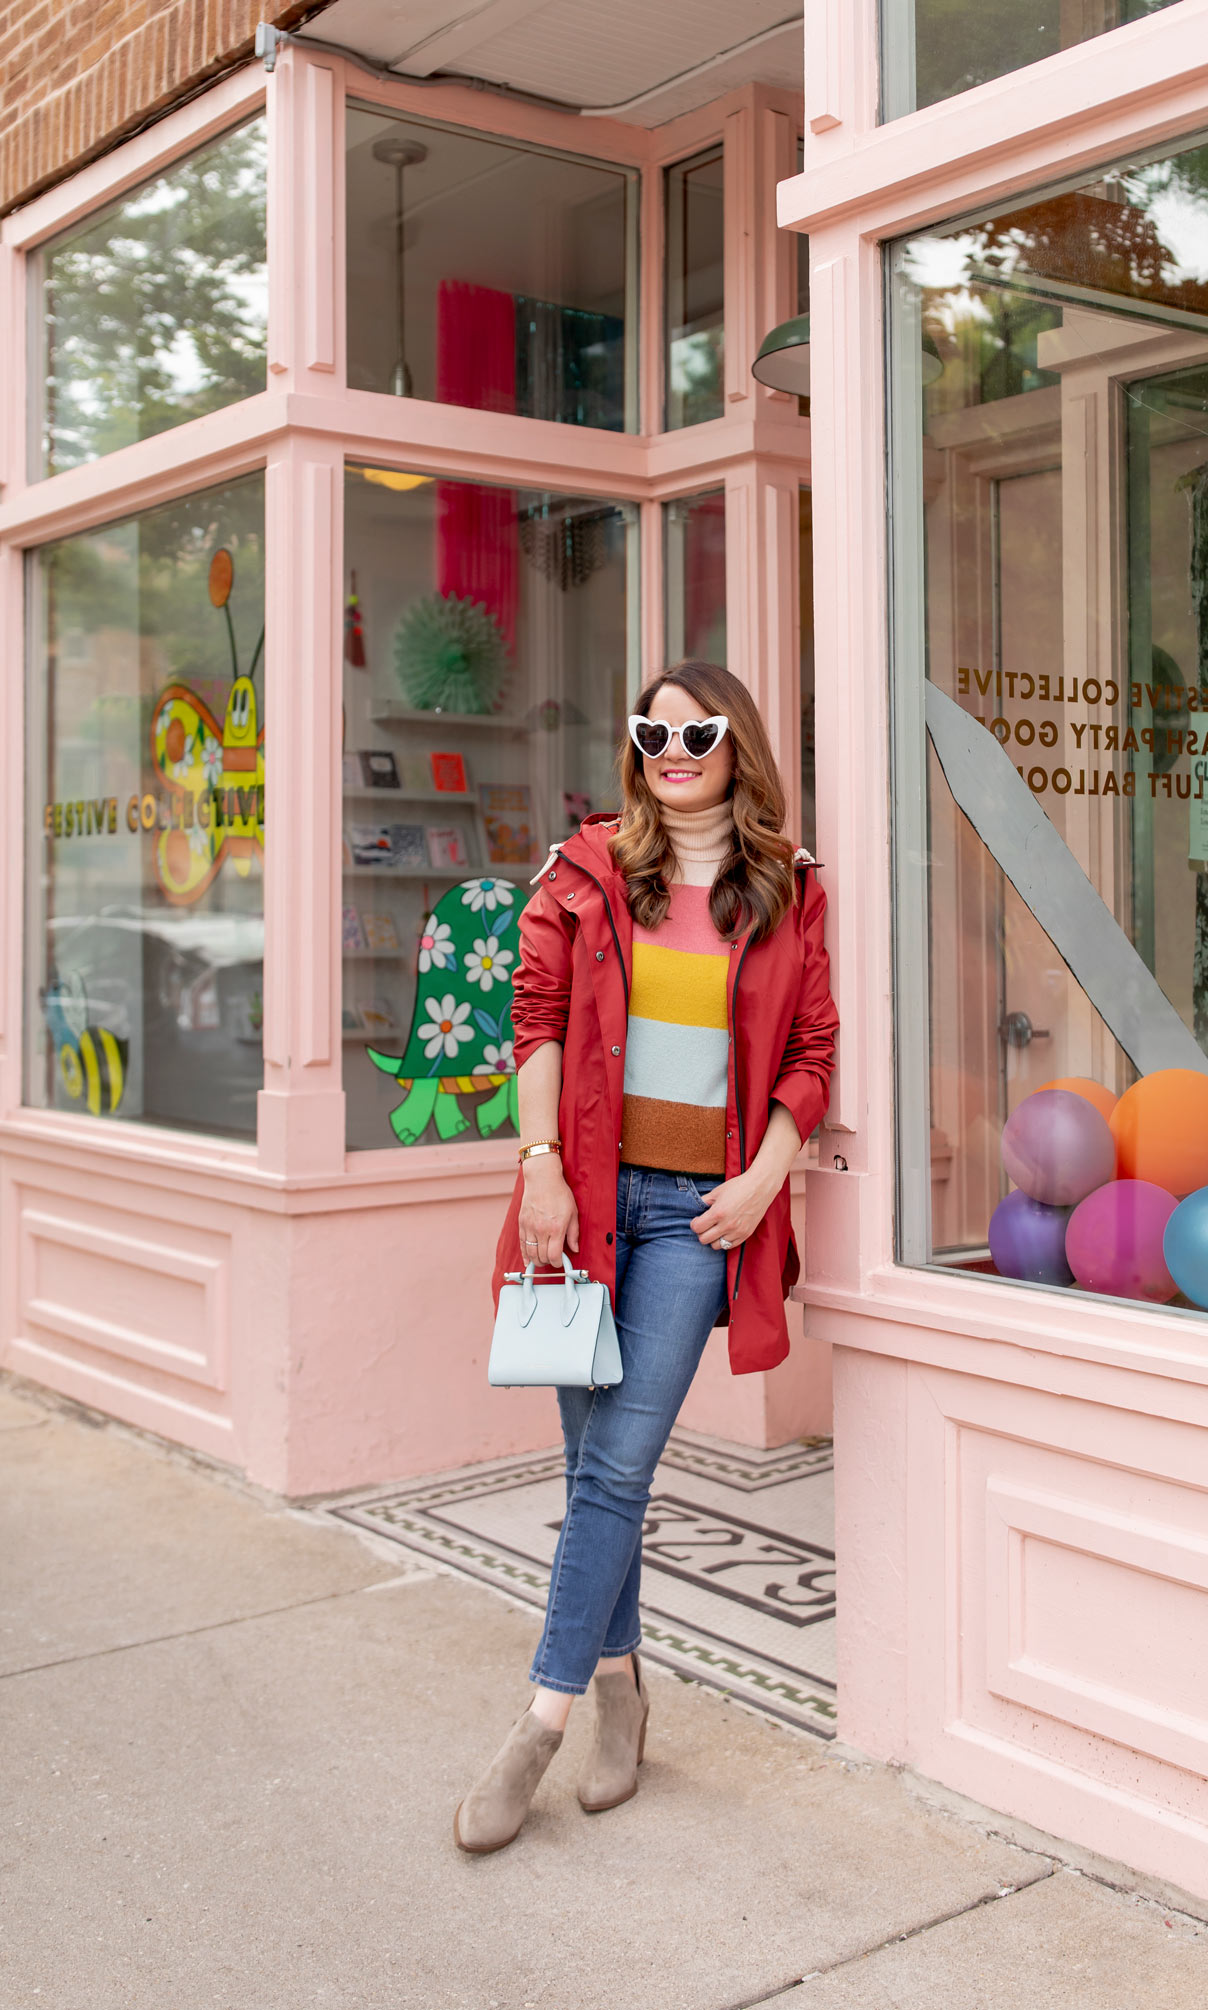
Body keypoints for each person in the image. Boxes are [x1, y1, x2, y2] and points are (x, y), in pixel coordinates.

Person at [453, 660, 839, 1854]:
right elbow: (533, 1022)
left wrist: (764, 1179)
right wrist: (537, 1169)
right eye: (652, 732)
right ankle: (620, 1689)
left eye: (698, 732)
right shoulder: (584, 875)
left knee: (615, 1472)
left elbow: (812, 1052)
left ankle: (537, 1722)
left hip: (696, 1215)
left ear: (738, 745)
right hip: (588, 1203)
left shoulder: (788, 889)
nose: (672, 751)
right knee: (594, 1473)